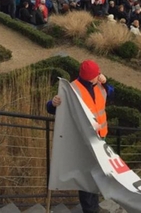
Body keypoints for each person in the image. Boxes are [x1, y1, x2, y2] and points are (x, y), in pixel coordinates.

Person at [46, 60, 113, 213]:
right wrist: (53, 103)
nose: (99, 76)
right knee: (86, 176)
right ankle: (90, 209)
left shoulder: (98, 86)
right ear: (91, 77)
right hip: (83, 141)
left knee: (96, 174)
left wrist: (106, 82)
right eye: (97, 74)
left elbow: (111, 93)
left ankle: (93, 206)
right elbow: (52, 108)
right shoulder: (72, 90)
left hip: (99, 139)